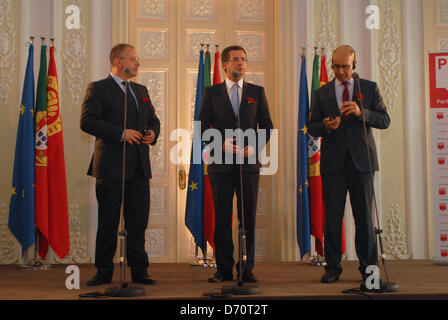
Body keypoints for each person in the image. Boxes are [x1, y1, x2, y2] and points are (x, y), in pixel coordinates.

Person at [308, 45, 390, 284]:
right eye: (336, 66)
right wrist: (325, 126)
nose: (341, 71)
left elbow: (385, 119)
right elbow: (311, 126)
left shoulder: (369, 88)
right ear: (331, 66)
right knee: (332, 218)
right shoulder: (321, 93)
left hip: (362, 163)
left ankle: (369, 271)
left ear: (354, 65)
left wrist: (360, 111)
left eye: (345, 66)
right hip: (333, 164)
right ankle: (332, 268)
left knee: (364, 218)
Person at [81, 43, 160, 286]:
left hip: (138, 167)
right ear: (117, 60)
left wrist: (152, 134)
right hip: (111, 167)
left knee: (138, 222)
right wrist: (121, 133)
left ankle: (139, 271)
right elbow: (87, 122)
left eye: (137, 59)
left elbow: (154, 120)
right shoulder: (98, 88)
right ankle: (103, 272)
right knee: (108, 221)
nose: (138, 63)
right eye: (133, 59)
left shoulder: (140, 89)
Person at [198, 45, 273, 283]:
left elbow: (267, 126)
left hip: (248, 166)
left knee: (247, 217)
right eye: (236, 60)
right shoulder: (211, 93)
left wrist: (256, 146)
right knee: (222, 217)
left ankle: (246, 268)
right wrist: (218, 144)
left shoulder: (256, 92)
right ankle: (223, 268)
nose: (241, 64)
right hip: (220, 165)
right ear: (225, 65)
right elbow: (201, 126)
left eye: (244, 60)